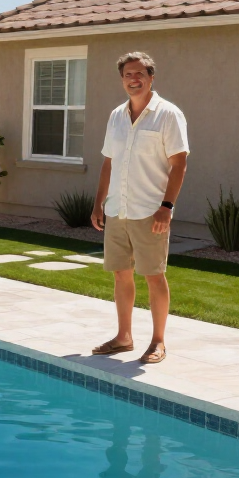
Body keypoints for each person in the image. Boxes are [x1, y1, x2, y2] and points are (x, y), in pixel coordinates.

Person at [90, 52, 188, 365]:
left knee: (154, 275)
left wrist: (167, 206)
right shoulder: (116, 115)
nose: (134, 80)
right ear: (122, 80)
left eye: (139, 74)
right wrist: (99, 203)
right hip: (118, 209)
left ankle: (158, 341)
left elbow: (180, 162)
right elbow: (108, 161)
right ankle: (124, 337)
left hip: (150, 210)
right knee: (121, 275)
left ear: (151, 77)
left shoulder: (168, 114)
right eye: (128, 75)